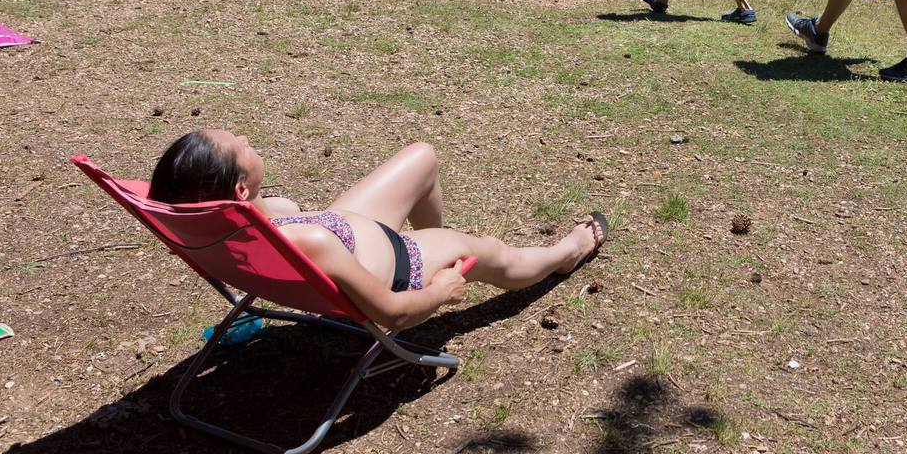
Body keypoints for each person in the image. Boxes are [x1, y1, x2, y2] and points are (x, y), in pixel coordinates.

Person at [147, 131, 609, 331]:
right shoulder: (307, 243)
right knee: (492, 254)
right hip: (395, 268)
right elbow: (393, 315)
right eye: (239, 146)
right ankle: (565, 254)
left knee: (422, 157)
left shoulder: (208, 226)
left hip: (349, 234)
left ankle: (440, 241)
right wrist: (440, 291)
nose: (247, 141)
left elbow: (281, 215)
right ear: (241, 189)